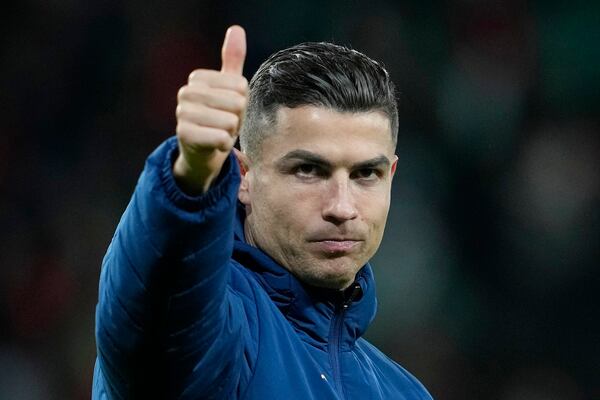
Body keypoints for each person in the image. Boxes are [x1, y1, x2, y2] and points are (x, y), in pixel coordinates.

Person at [92, 25, 433, 399]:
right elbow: (159, 313)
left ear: (391, 176)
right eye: (308, 170)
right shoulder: (215, 337)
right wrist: (190, 179)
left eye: (366, 173)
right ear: (243, 176)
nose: (341, 207)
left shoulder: (404, 392)